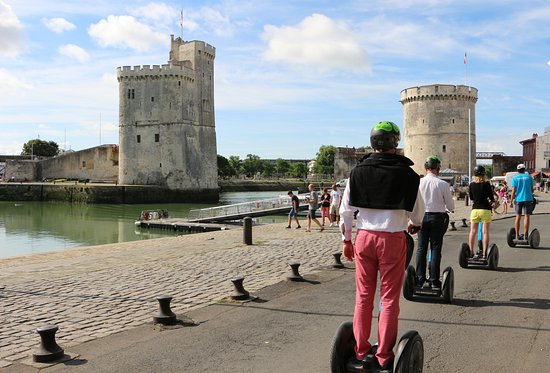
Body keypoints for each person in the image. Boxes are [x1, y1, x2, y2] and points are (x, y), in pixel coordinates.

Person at [339, 121, 425, 372]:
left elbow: (345, 212)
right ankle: (384, 356)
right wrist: (415, 224)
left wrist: (346, 240)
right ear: (394, 142)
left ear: (372, 142)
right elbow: (416, 212)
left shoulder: (357, 173)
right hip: (392, 239)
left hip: (364, 237)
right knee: (388, 299)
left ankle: (361, 350)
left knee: (363, 296)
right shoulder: (408, 175)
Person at [415, 155, 455, 289]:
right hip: (437, 217)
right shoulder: (443, 184)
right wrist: (448, 208)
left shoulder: (419, 183)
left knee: (421, 248)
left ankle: (419, 278)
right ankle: (433, 279)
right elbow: (450, 206)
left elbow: (413, 202)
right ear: (438, 169)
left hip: (421, 217)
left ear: (426, 168)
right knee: (435, 248)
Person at [468, 165, 495, 258]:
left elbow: (471, 197)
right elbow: (491, 198)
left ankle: (471, 251)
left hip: (475, 210)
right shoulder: (487, 184)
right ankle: (484, 253)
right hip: (485, 210)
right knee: (485, 232)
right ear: (484, 174)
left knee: (472, 231)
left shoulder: (471, 185)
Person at [510, 164, 535, 240]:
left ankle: (517, 235)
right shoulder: (529, 177)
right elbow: (532, 189)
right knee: (526, 216)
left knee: (518, 216)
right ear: (524, 169)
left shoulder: (515, 178)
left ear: (517, 170)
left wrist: (511, 201)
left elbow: (513, 191)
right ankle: (525, 235)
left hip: (518, 199)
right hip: (528, 198)